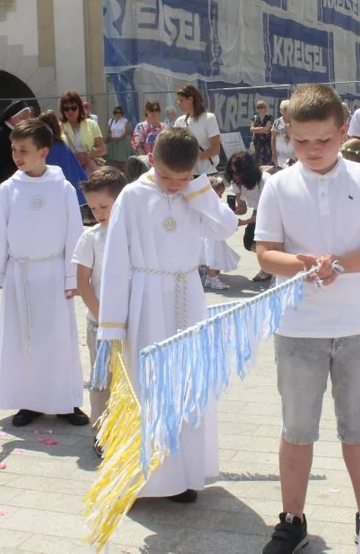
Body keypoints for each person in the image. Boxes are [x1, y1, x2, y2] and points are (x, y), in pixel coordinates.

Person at [253, 84, 360, 552]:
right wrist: (303, 265)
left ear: (343, 131)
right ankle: (292, 518)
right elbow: (266, 253)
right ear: (287, 132)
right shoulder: (278, 184)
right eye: (302, 141)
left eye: (324, 141)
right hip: (298, 329)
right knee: (297, 430)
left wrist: (339, 265)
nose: (312, 151)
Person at [96, 127, 238, 503]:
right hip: (145, 297)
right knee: (150, 385)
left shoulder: (193, 193)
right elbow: (115, 259)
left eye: (183, 177)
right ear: (151, 160)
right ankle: (150, 476)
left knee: (189, 382)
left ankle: (186, 473)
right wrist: (112, 323)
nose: (174, 185)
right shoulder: (133, 195)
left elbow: (225, 227)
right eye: (166, 176)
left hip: (188, 294)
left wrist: (200, 191)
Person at [0, 118, 89, 428]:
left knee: (57, 338)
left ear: (44, 152)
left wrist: (72, 277)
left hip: (52, 274)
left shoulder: (63, 188)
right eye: (14, 150)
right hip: (19, 274)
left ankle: (65, 401)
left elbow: (72, 234)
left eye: (24, 150)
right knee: (22, 339)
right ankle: (29, 400)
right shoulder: (9, 189)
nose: (17, 156)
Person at [72, 166, 128, 454]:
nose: (98, 213)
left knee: (128, 379)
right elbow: (83, 282)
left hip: (131, 324)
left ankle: (127, 430)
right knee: (101, 380)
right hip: (100, 324)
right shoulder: (91, 238)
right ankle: (102, 431)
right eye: (92, 207)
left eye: (104, 206)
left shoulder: (134, 233)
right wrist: (102, 315)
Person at [225, 150, 272, 283]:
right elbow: (242, 209)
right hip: (258, 210)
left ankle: (269, 268)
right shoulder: (236, 183)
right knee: (249, 241)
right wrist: (231, 212)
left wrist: (244, 222)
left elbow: (266, 214)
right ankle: (270, 265)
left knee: (265, 240)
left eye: (238, 172)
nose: (235, 176)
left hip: (273, 212)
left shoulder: (264, 181)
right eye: (232, 172)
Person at [0, 100, 36, 206]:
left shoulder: (14, 132)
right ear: (12, 118)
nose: (27, 121)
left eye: (29, 118)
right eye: (23, 118)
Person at [199, 175, 238, 291]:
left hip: (212, 236)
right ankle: (212, 278)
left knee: (212, 257)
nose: (221, 196)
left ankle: (208, 276)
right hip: (212, 237)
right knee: (214, 258)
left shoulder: (208, 204)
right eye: (219, 193)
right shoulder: (209, 205)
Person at [175, 85, 221, 178]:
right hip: (186, 175)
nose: (178, 104)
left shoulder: (209, 118)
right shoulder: (180, 121)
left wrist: (194, 159)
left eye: (181, 100)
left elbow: (216, 149)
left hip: (207, 173)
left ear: (191, 99)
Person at [60, 91, 106, 175]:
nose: (70, 111)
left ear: (79, 108)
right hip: (67, 168)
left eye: (73, 107)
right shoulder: (59, 127)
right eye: (66, 108)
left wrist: (87, 156)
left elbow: (102, 149)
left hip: (89, 168)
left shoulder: (91, 124)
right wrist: (76, 157)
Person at [105, 106, 130, 171]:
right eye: (116, 112)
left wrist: (119, 138)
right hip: (113, 142)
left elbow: (127, 132)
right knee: (113, 158)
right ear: (114, 113)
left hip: (122, 141)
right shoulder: (111, 120)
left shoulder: (125, 121)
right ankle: (114, 171)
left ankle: (123, 171)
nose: (118, 114)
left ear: (122, 113)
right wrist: (111, 137)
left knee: (122, 158)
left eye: (119, 112)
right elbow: (107, 130)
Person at [251, 101, 275, 166]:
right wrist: (263, 130)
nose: (260, 109)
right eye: (258, 107)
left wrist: (257, 129)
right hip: (257, 143)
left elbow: (267, 128)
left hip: (266, 143)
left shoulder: (269, 117)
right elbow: (251, 129)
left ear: (265, 108)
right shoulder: (255, 117)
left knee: (267, 162)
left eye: (262, 107)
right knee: (258, 162)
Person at [271, 100, 293, 170]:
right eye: (284, 109)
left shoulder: (295, 121)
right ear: (281, 110)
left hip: (293, 154)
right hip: (280, 154)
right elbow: (273, 138)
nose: (286, 111)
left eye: (288, 109)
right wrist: (273, 152)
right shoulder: (277, 122)